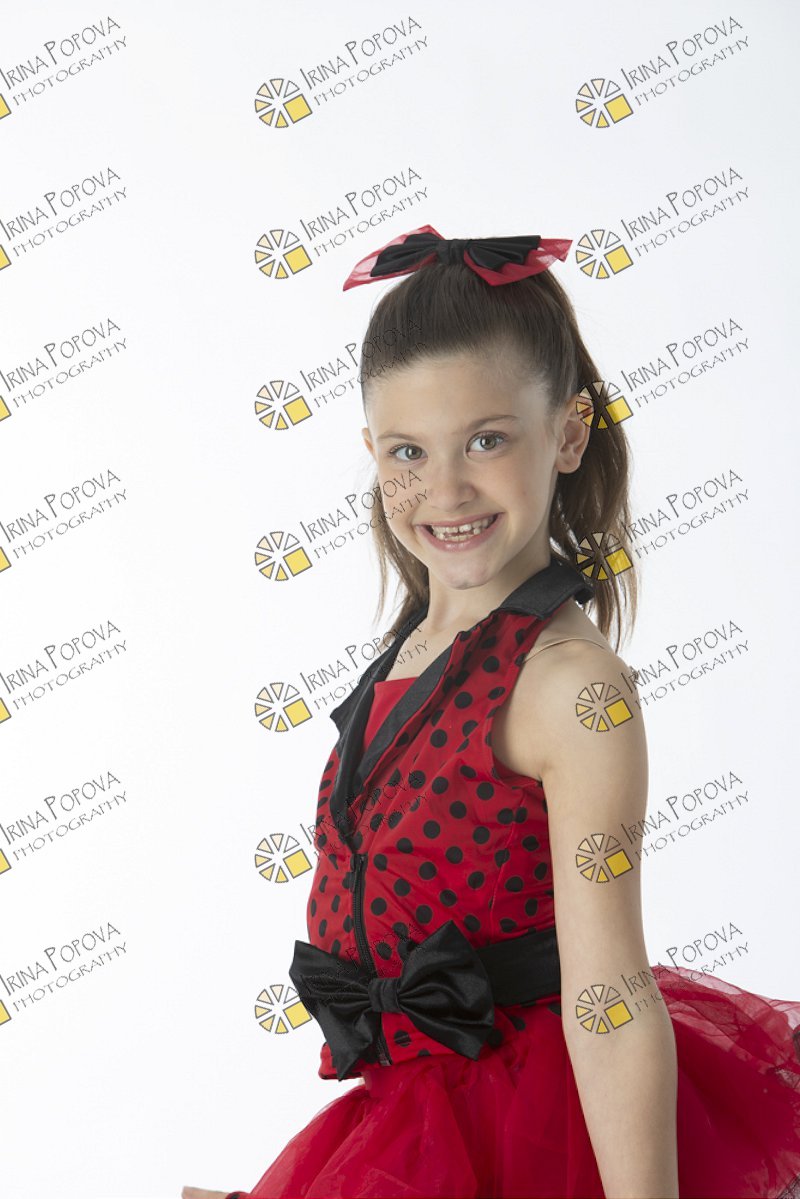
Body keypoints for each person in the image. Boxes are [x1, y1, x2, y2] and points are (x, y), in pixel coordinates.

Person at [183, 227, 800, 1199]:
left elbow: (606, 996)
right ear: (371, 453)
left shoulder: (568, 687)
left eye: (486, 439)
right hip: (409, 1124)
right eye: (408, 451)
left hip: (526, 1136)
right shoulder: (415, 648)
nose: (446, 488)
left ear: (567, 432)